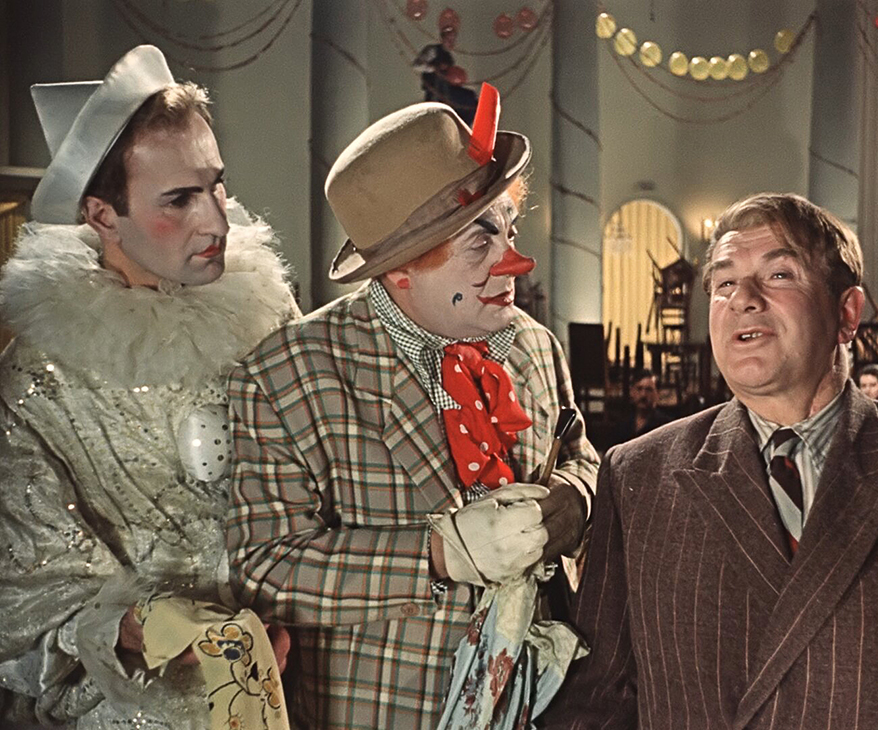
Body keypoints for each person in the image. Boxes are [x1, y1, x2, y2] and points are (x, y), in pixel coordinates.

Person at [542, 192, 878, 728]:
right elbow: (596, 705)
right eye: (724, 283)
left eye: (779, 275)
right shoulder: (640, 476)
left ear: (847, 313)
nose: (743, 299)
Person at [227, 90, 599, 729]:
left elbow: (579, 453)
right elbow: (262, 567)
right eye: (479, 244)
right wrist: (437, 554)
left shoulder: (536, 345)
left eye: (509, 230)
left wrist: (576, 499)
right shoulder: (285, 374)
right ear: (400, 269)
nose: (514, 261)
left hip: (535, 707)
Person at [0, 46, 298, 728]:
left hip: (287, 683)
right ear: (103, 215)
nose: (217, 220)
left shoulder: (268, 317)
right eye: (179, 199)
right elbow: (25, 592)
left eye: (216, 185)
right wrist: (131, 626)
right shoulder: (34, 381)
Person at [607, 369, 671, 446]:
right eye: (639, 389)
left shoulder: (665, 426)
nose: (643, 395)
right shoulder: (622, 425)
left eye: (649, 390)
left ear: (657, 394)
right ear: (632, 392)